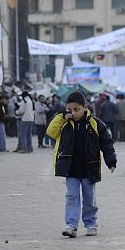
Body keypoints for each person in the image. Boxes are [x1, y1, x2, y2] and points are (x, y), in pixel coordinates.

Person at [46, 90, 116, 238]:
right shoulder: (64, 123)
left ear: (85, 107)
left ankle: (91, 224)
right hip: (70, 168)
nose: (73, 113)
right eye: (69, 110)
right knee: (71, 196)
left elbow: (107, 144)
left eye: (76, 109)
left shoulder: (96, 123)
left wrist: (111, 161)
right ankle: (71, 226)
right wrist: (61, 116)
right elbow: (51, 132)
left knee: (89, 198)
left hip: (89, 168)